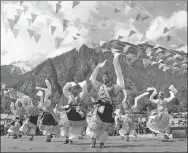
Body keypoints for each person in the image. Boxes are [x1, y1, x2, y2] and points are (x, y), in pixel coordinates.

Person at [86, 53, 124, 148]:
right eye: (104, 75)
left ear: (111, 78)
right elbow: (91, 79)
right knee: (95, 125)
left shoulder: (114, 87)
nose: (105, 76)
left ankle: (102, 142)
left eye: (107, 75)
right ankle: (93, 141)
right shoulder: (100, 86)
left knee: (105, 126)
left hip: (108, 108)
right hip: (99, 108)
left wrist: (116, 63)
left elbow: (121, 81)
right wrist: (98, 67)